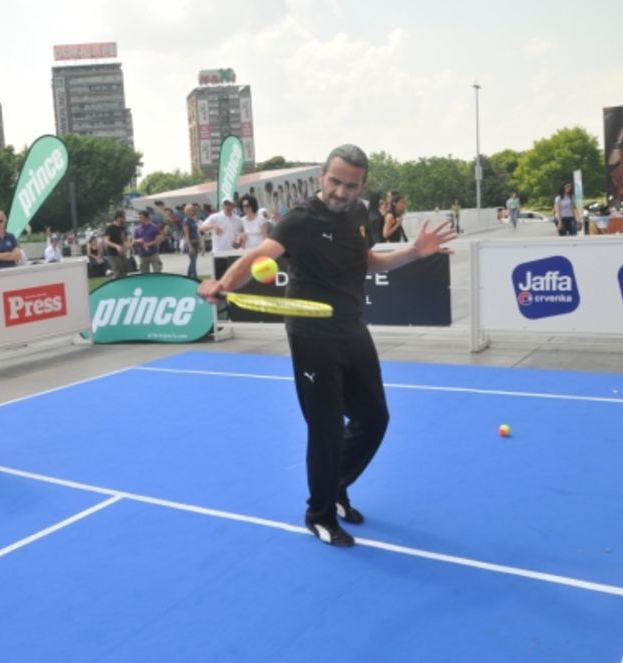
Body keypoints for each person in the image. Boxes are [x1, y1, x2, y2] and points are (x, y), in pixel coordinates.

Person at [198, 144, 457, 547]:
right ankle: (318, 513)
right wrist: (222, 286)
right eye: (335, 181)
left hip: (353, 327)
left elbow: (368, 260)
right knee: (326, 428)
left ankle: (334, 486)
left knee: (374, 420)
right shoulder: (300, 221)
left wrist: (414, 252)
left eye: (350, 185)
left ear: (362, 186)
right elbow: (257, 257)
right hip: (310, 333)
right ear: (322, 176)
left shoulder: (358, 213)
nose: (341, 192)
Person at [104, 210, 130, 278]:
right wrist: (116, 246)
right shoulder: (110, 228)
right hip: (113, 253)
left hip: (122, 253)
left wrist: (127, 245)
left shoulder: (123, 228)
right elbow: (106, 241)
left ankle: (125, 286)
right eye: (123, 218)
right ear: (118, 218)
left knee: (124, 270)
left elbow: (126, 239)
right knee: (118, 270)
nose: (125, 220)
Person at [182, 203, 201, 280]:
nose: (194, 212)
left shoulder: (193, 220)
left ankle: (189, 276)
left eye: (194, 210)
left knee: (193, 261)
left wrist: (199, 244)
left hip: (196, 241)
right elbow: (186, 235)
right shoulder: (186, 221)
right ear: (188, 211)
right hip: (191, 243)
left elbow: (197, 232)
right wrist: (190, 246)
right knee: (193, 262)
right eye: (192, 210)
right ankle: (194, 277)